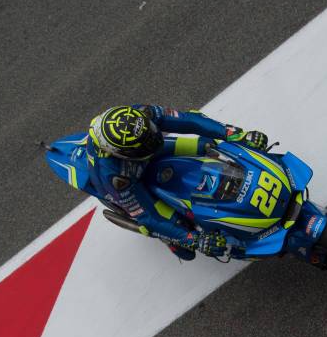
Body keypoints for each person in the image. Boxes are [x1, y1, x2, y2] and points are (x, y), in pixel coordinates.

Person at [86, 104, 268, 261]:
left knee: (206, 144)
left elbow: (189, 119)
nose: (152, 138)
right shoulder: (113, 176)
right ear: (121, 153)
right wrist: (194, 239)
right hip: (130, 179)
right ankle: (169, 240)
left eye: (149, 129)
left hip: (143, 152)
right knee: (183, 243)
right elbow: (148, 217)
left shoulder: (138, 115)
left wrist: (234, 134)